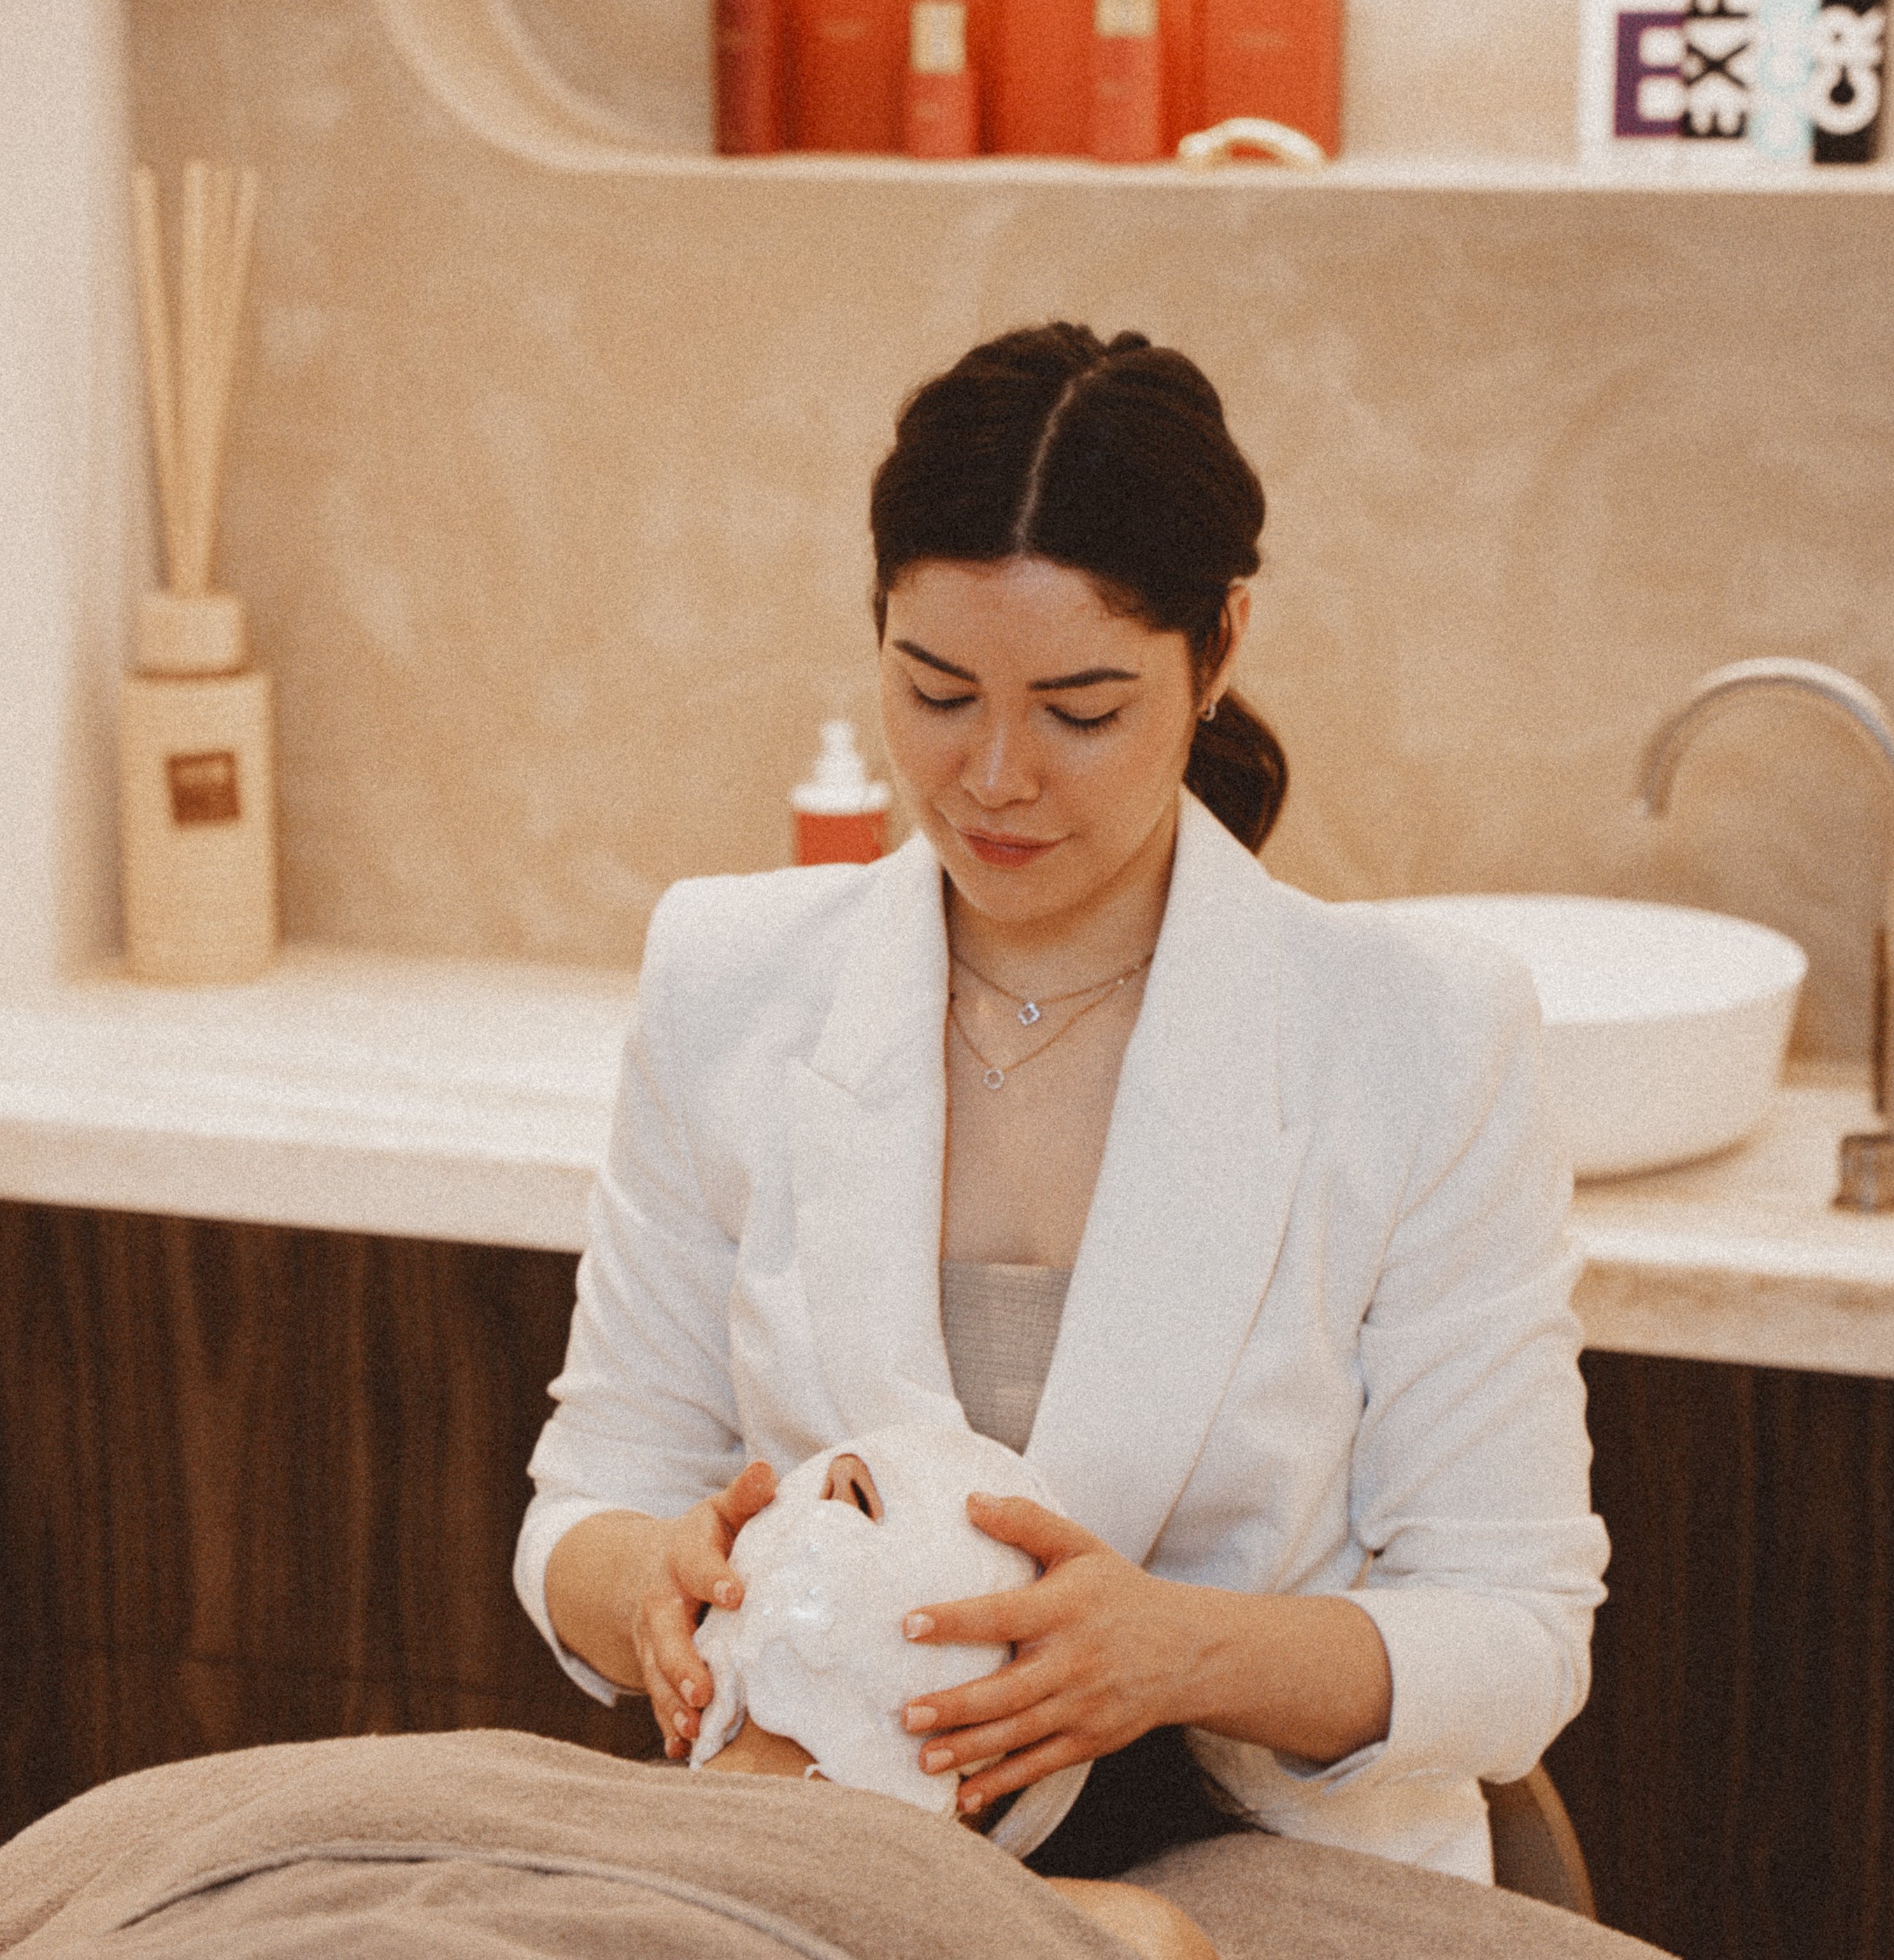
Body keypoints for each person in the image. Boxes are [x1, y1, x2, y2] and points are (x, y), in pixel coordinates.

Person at [514, 322, 1609, 1884]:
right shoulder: (728, 980)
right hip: (821, 1857)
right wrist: (653, 1587)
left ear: (1217, 651)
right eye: (936, 692)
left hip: (1258, 1864)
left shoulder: (1418, 1036)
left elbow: (1515, 1635)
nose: (994, 776)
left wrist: (1176, 1655)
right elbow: (589, 1501)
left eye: (1081, 710)